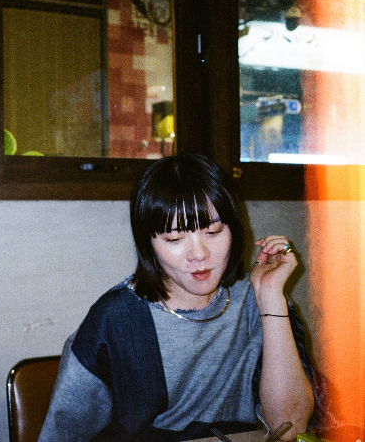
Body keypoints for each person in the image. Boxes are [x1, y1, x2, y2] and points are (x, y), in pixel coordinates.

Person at [38, 153, 315, 442]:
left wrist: (270, 297)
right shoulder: (116, 320)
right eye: (174, 239)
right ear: (148, 243)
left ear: (234, 229)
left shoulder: (255, 302)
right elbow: (64, 434)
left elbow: (290, 427)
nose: (199, 254)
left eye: (213, 232)